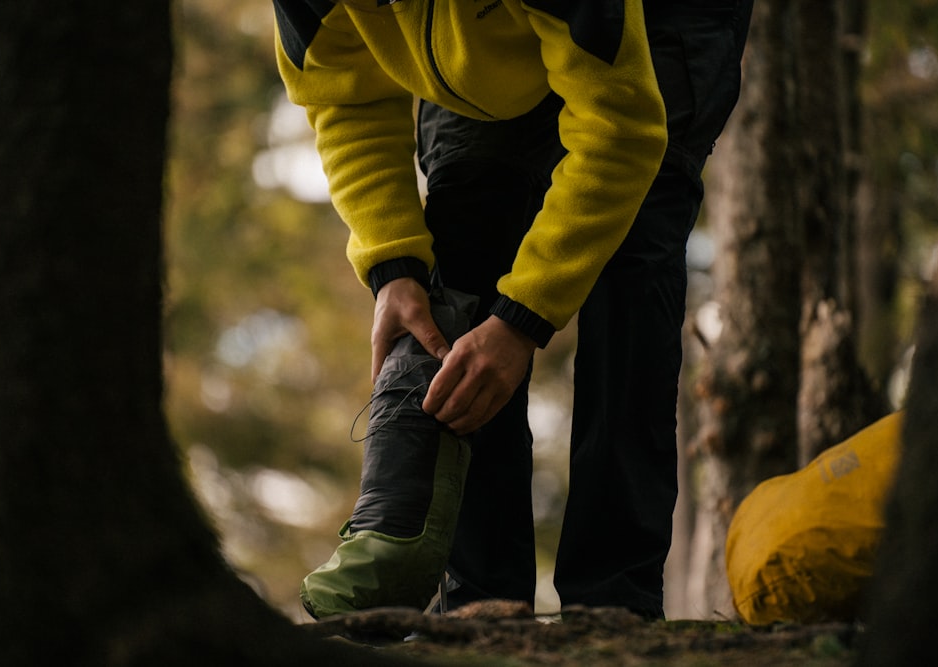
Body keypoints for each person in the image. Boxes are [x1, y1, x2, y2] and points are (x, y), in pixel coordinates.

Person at [274, 0, 753, 620]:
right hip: (475, 46)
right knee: (462, 253)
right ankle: (480, 601)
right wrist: (393, 266)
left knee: (631, 263)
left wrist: (524, 319)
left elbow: (621, 128)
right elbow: (346, 97)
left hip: (659, 24)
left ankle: (613, 603)